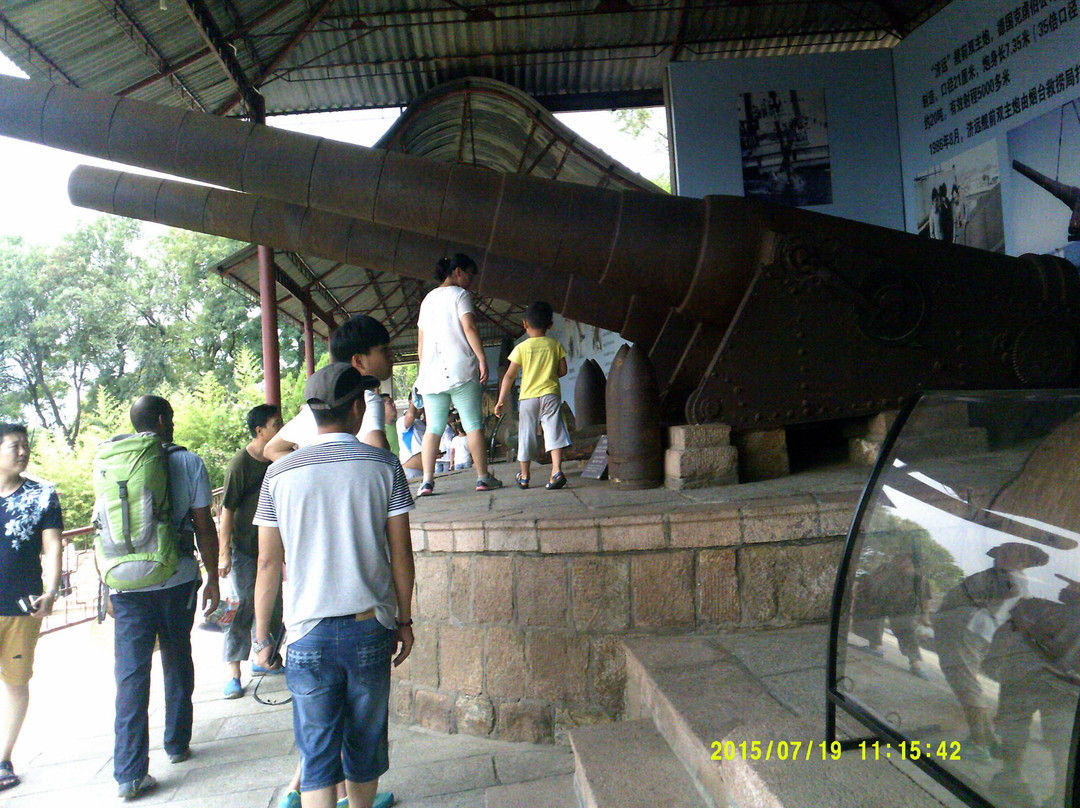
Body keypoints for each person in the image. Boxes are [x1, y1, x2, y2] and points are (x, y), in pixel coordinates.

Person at [253, 363, 414, 808]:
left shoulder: (278, 474)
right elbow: (401, 553)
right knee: (363, 752)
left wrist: (262, 637)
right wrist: (404, 620)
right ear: (358, 408)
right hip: (370, 628)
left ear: (311, 412)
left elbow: (267, 563)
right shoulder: (383, 464)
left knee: (317, 760)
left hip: (307, 634)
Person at [113, 396, 219, 801]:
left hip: (126, 587)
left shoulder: (113, 461)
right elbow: (203, 525)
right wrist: (213, 578)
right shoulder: (187, 462)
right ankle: (176, 743)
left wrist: (108, 589)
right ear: (161, 420)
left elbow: (107, 528)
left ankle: (129, 774)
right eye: (170, 418)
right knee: (176, 657)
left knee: (130, 676)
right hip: (176, 579)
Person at [0, 423, 62, 793]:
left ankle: (3, 758)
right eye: (14, 446)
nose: (23, 451)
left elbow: (52, 546)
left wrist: (52, 590)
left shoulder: (42, 494)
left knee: (16, 682)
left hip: (21, 606)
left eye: (25, 445)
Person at [414, 253, 501, 495]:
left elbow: (421, 343)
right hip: (460, 370)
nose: (471, 281)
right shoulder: (461, 296)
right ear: (458, 272)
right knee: (473, 425)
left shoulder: (427, 300)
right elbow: (469, 327)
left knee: (433, 428)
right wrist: (482, 358)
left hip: (431, 375)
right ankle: (482, 477)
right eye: (470, 275)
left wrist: (425, 370)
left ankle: (427, 482)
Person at [218, 404, 285, 700]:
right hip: (243, 549)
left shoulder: (279, 457)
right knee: (240, 607)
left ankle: (265, 659)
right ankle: (233, 674)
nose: (281, 429)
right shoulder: (240, 463)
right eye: (276, 424)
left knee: (273, 606)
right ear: (260, 431)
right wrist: (223, 553)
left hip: (271, 548)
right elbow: (227, 510)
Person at [265, 315, 395, 461]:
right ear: (358, 361)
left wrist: (311, 467)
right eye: (384, 350)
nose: (392, 355)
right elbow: (378, 453)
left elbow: (271, 449)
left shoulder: (316, 407)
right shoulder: (367, 399)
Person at [494, 301, 571, 490]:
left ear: (525, 324)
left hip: (528, 398)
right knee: (553, 431)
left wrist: (501, 400)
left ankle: (524, 476)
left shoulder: (521, 348)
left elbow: (509, 376)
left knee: (526, 434)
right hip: (550, 395)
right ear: (550, 325)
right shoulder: (555, 345)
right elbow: (563, 371)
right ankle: (556, 471)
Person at [396, 391, 427, 480]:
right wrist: (415, 399)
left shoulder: (421, 423)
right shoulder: (401, 420)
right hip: (411, 471)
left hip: (424, 471)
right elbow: (411, 416)